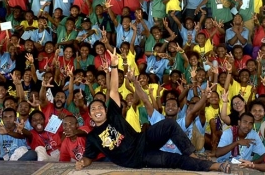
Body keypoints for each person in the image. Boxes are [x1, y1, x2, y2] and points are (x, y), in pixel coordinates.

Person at [76, 45, 230, 172]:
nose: (97, 109)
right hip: (136, 159)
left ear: (105, 110)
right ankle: (217, 166)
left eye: (100, 107)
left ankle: (193, 155)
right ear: (90, 115)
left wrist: (114, 66)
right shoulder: (92, 137)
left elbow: (114, 90)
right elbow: (88, 157)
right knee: (175, 160)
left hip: (142, 140)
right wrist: (82, 162)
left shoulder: (113, 115)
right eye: (93, 109)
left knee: (169, 124)